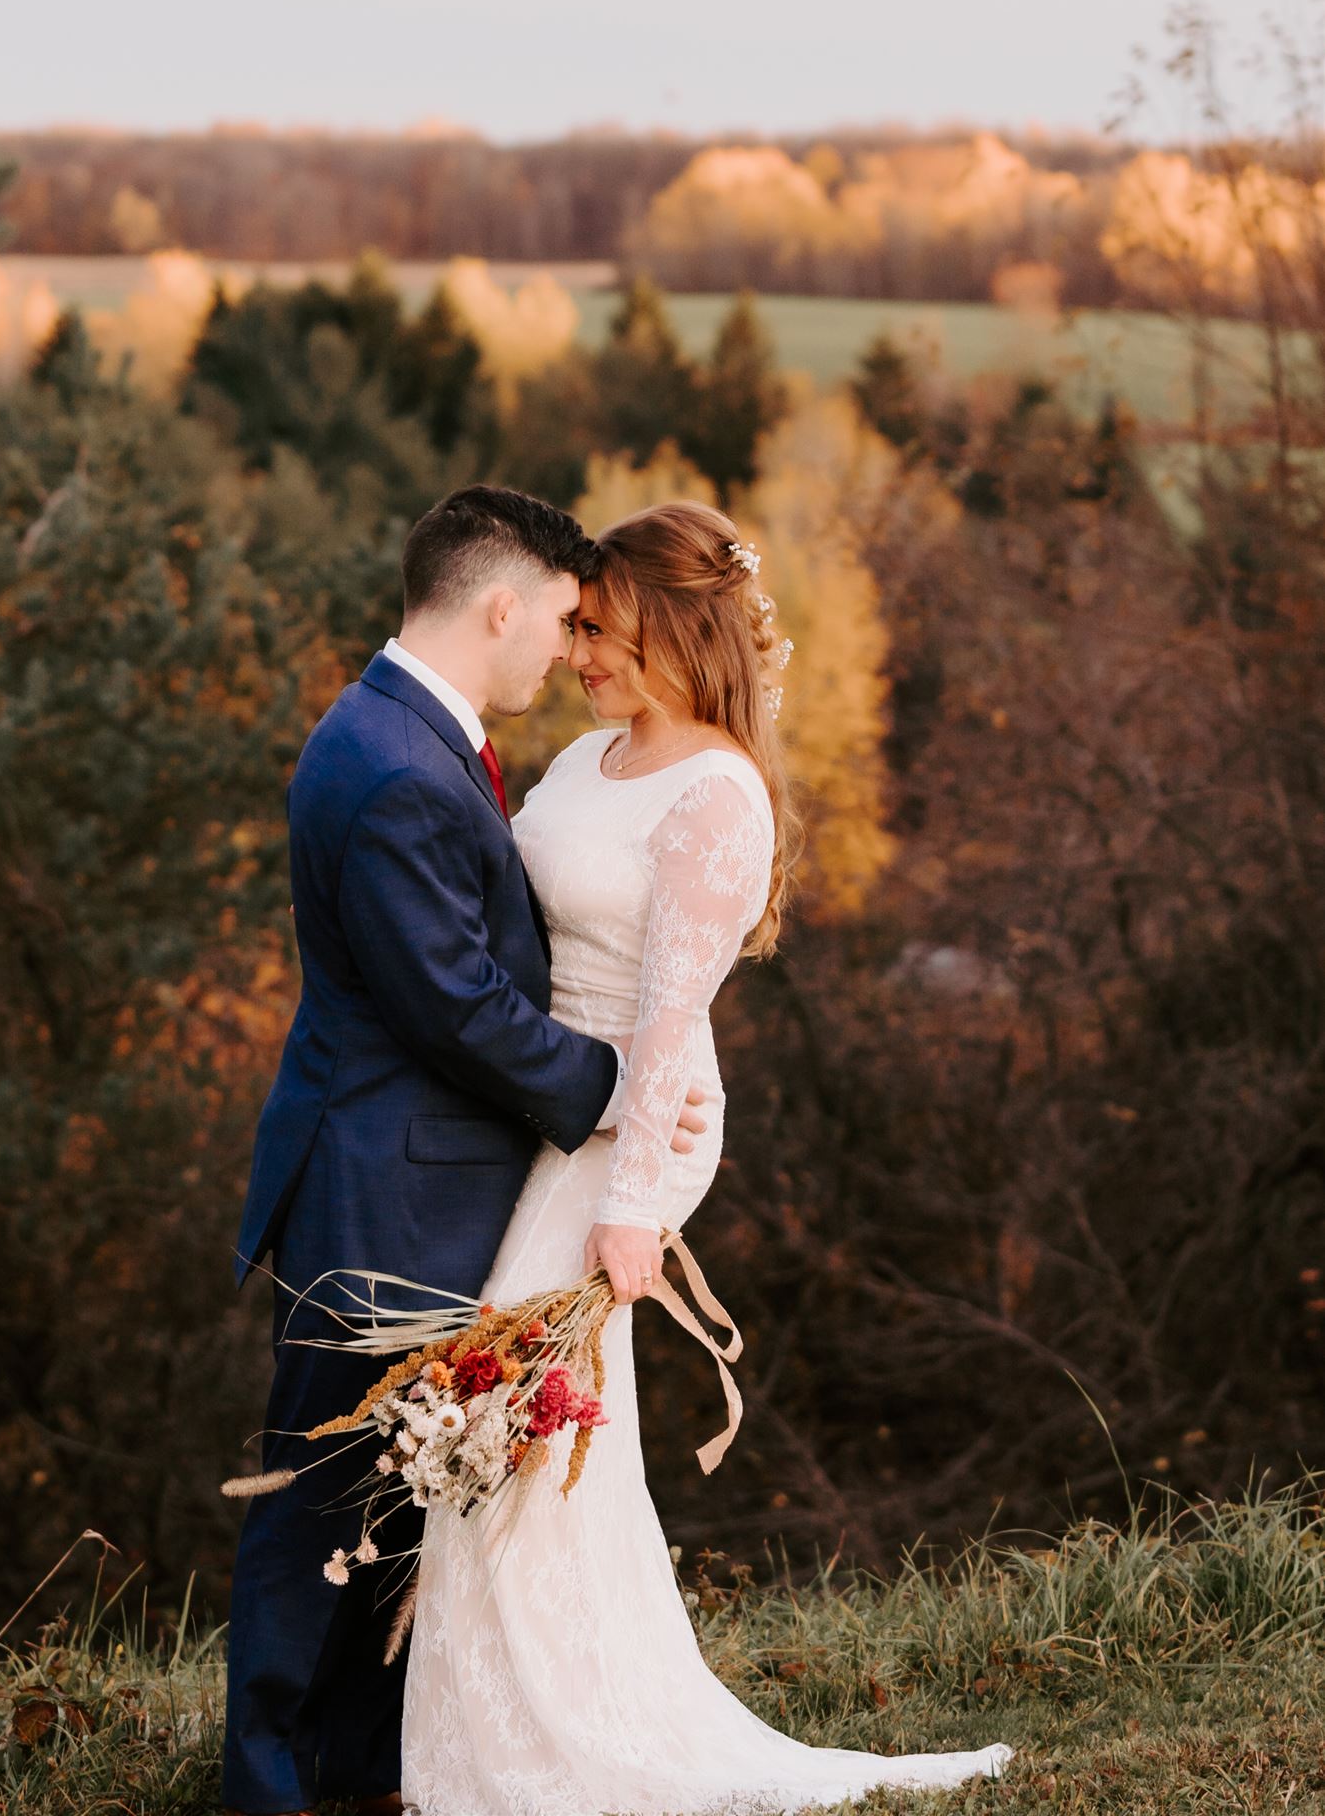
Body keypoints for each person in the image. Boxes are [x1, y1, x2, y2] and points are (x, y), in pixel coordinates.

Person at [400, 500, 1015, 1815]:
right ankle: (490, 1743)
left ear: (672, 628)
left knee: (511, 1428)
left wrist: (631, 1217)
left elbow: (671, 1029)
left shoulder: (717, 796)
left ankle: (546, 1753)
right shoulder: (581, 763)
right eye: (574, 631)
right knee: (512, 1432)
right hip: (542, 1113)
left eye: (601, 629)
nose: (577, 653)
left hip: (626, 1135)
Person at [222, 486, 709, 1816]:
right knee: (325, 1495)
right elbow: (455, 1005)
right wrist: (621, 1084)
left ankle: (355, 1768)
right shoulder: (388, 768)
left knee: (398, 1488)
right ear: (499, 605)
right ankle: (271, 1783)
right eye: (558, 617)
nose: (567, 646)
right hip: (381, 1186)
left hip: (407, 1176)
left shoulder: (407, 735)